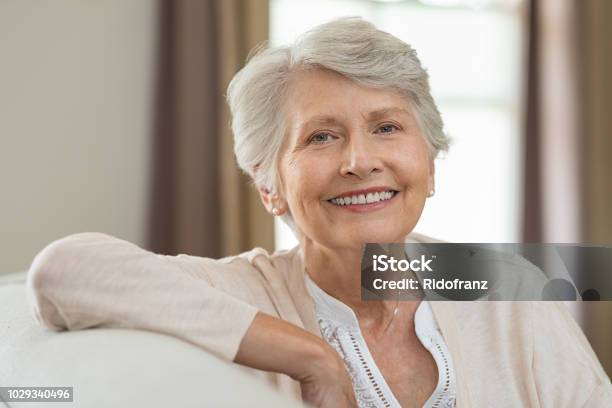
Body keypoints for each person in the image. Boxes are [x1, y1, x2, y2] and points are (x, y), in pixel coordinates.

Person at [26, 17, 611, 408]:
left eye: (386, 128)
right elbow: (65, 272)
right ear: (269, 186)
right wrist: (310, 358)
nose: (360, 161)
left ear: (428, 165)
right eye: (321, 137)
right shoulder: (238, 292)